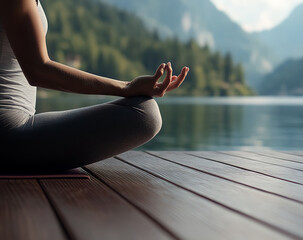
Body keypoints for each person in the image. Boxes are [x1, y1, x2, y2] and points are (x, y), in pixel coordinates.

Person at [0, 0, 189, 173]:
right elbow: (37, 70)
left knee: (144, 111)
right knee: (144, 114)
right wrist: (127, 87)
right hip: (8, 136)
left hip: (15, 128)